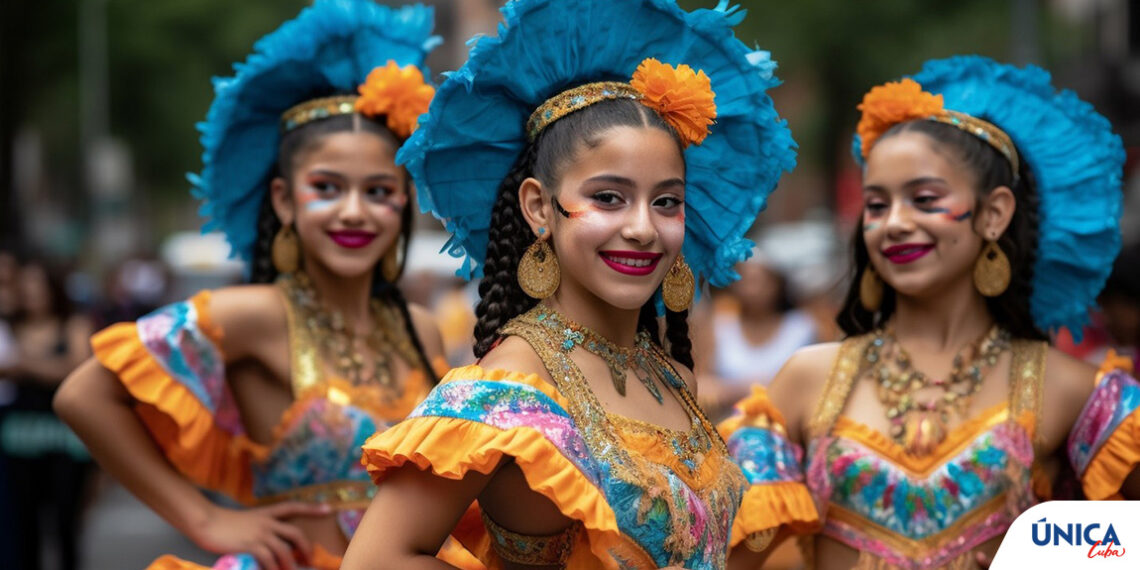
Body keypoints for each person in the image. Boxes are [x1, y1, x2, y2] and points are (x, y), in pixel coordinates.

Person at [339, 0, 797, 568]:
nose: (641, 228)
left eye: (667, 202)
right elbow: (374, 560)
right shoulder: (513, 378)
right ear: (538, 207)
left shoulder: (673, 376)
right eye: (608, 198)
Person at [53, 2, 456, 568]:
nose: (354, 211)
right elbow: (83, 396)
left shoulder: (423, 331)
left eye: (379, 191)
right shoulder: (252, 314)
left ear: (403, 204)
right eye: (327, 187)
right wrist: (206, 518)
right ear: (284, 201)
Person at [722, 55, 1138, 570]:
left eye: (923, 198)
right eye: (876, 206)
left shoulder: (1073, 389)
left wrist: (1040, 556)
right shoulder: (808, 379)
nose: (894, 223)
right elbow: (726, 554)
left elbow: (1123, 547)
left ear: (994, 214)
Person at [1, 261, 94, 570]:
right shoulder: (9, 326)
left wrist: (24, 366)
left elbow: (76, 369)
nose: (30, 294)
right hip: (18, 438)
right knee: (23, 523)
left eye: (37, 287)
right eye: (24, 288)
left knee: (66, 522)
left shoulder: (74, 324)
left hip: (63, 437)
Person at [698, 253, 818, 417]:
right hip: (728, 427)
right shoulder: (720, 323)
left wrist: (733, 389)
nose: (750, 290)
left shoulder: (802, 326)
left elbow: (814, 384)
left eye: (758, 281)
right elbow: (701, 381)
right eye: (743, 281)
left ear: (777, 284)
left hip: (785, 426)